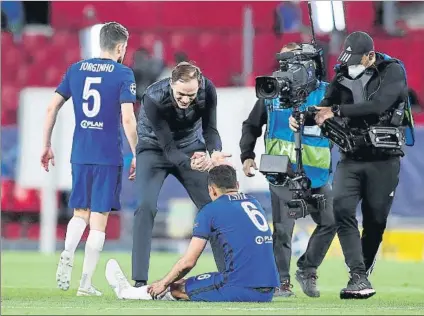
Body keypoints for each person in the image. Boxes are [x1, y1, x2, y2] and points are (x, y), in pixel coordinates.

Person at [299, 31, 414, 299]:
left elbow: (380, 104)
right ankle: (357, 276)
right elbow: (324, 108)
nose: (351, 65)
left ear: (370, 56)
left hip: (384, 159)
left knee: (375, 220)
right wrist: (304, 118)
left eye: (356, 60)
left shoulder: (392, 70)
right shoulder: (341, 76)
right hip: (351, 158)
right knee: (342, 209)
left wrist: (337, 111)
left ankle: (363, 269)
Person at [41, 22, 138, 296]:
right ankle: (84, 284)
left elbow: (52, 108)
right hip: (108, 155)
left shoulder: (76, 69)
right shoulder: (123, 73)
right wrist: (137, 153)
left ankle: (67, 251)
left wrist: (46, 145)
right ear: (120, 47)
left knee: (79, 213)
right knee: (99, 219)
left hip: (80, 153)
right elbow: (128, 118)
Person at [240, 43, 336, 298]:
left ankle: (307, 268)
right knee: (283, 229)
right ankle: (281, 282)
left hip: (316, 174)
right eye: (283, 64)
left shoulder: (328, 94)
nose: (285, 70)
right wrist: (246, 155)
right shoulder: (272, 92)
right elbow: (251, 125)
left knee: (330, 222)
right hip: (281, 171)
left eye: (292, 64)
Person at [106, 165, 279, 302]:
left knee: (174, 287)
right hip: (268, 289)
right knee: (185, 284)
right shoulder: (254, 202)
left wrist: (163, 283)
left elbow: (188, 262)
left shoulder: (210, 210)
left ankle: (128, 293)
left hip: (241, 287)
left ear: (211, 190)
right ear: (237, 185)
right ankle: (144, 291)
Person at [132, 61, 231, 287]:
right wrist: (191, 164)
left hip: (190, 146)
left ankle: (230, 277)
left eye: (191, 94)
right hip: (153, 148)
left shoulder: (209, 90)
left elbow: (210, 129)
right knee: (145, 207)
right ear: (171, 84)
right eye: (181, 94)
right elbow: (167, 148)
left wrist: (214, 154)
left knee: (213, 207)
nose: (186, 100)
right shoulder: (153, 97)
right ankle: (139, 282)